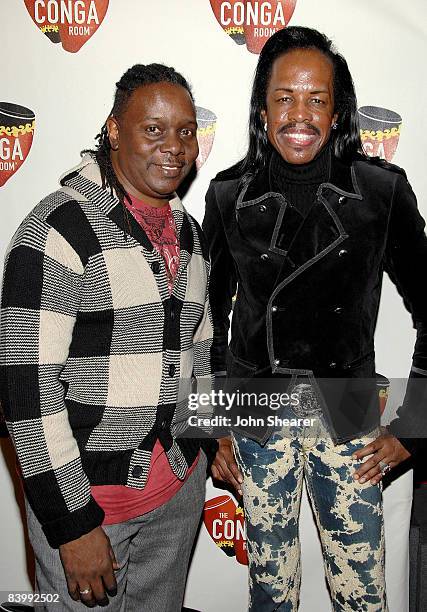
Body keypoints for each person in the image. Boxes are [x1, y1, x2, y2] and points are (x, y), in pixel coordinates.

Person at [203, 26, 427, 611]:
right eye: (284, 97)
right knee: (271, 594)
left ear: (337, 110)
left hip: (349, 403)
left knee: (362, 593)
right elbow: (203, 323)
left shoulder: (381, 190)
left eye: (316, 99)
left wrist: (414, 427)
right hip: (256, 410)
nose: (298, 115)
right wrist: (211, 428)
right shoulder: (228, 195)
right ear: (262, 106)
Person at [0, 63, 216, 611]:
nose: (174, 147)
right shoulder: (56, 230)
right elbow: (27, 392)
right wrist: (72, 526)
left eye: (186, 131)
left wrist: (208, 436)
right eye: (153, 129)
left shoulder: (188, 232)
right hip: (92, 505)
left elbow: (198, 345)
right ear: (115, 130)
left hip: (176, 491)